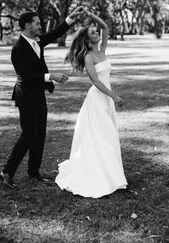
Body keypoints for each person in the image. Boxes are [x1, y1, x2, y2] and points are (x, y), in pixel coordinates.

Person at [0, 7, 84, 189]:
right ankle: (7, 172)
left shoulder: (37, 41)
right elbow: (25, 75)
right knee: (28, 135)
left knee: (39, 135)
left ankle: (33, 171)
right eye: (37, 23)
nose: (40, 25)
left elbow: (56, 33)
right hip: (26, 96)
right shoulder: (18, 49)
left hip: (38, 94)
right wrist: (49, 76)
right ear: (28, 25)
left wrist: (70, 18)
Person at [55, 11, 127, 198]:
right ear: (87, 41)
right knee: (100, 136)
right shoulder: (89, 57)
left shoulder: (102, 50)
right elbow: (95, 81)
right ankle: (98, 174)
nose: (97, 34)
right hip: (97, 100)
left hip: (106, 99)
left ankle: (111, 174)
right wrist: (114, 96)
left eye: (96, 33)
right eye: (93, 33)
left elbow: (105, 27)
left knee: (108, 135)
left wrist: (91, 16)